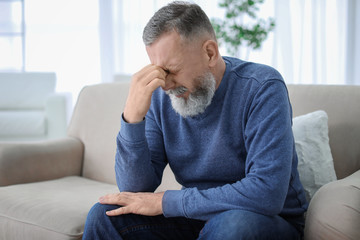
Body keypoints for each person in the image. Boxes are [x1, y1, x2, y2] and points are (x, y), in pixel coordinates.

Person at [83, 1, 308, 239]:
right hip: (196, 217)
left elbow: (266, 192)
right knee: (105, 216)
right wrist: (132, 117)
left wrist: (167, 202)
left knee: (232, 226)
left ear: (210, 53)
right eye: (159, 71)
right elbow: (134, 190)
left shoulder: (262, 87)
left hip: (262, 220)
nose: (166, 84)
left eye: (172, 70)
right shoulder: (163, 97)